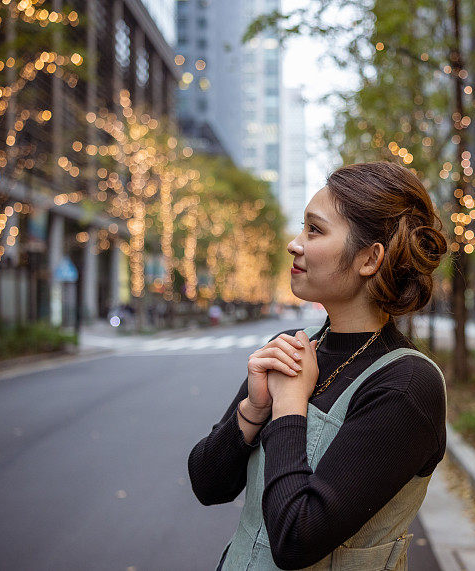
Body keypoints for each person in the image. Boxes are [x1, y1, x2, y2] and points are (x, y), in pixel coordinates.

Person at [188, 161, 449, 570]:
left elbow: (295, 538)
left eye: (315, 229)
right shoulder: (294, 346)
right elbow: (208, 484)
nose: (294, 244)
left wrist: (289, 407)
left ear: (369, 258)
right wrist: (253, 412)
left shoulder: (406, 385)